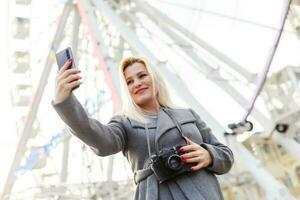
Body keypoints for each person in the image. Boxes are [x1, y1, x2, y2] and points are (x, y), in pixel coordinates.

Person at [52, 56, 234, 200]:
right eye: (129, 82)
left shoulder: (187, 114)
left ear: (154, 78)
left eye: (142, 75)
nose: (137, 83)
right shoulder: (124, 122)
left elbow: (226, 155)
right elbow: (101, 140)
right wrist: (65, 102)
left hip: (202, 193)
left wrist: (209, 155)